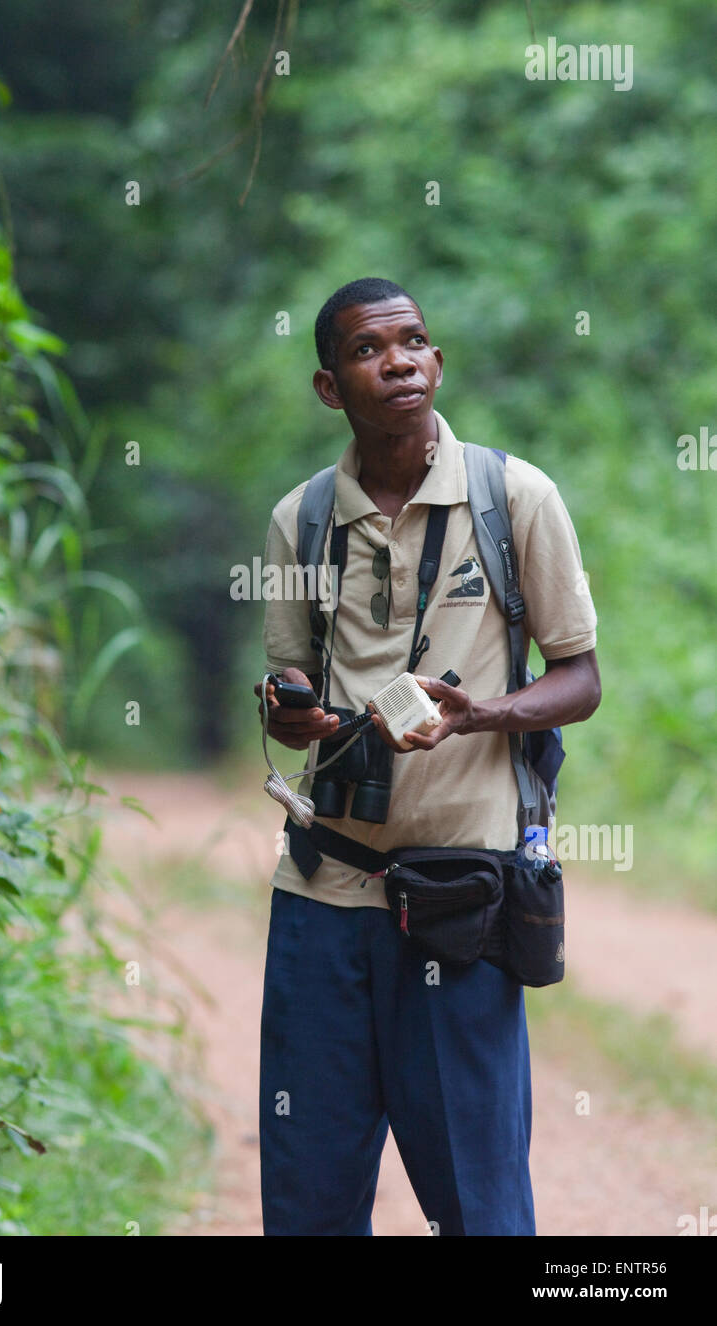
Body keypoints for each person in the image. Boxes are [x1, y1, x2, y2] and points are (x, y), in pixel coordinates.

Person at [253, 276, 601, 1237]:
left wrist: (479, 712)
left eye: (412, 343)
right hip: (323, 891)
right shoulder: (302, 519)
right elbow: (289, 695)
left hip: (463, 896)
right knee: (309, 1198)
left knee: (480, 1203)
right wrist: (294, 717)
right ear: (331, 386)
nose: (398, 361)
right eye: (369, 349)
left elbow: (580, 677)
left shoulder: (513, 495)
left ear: (437, 362)